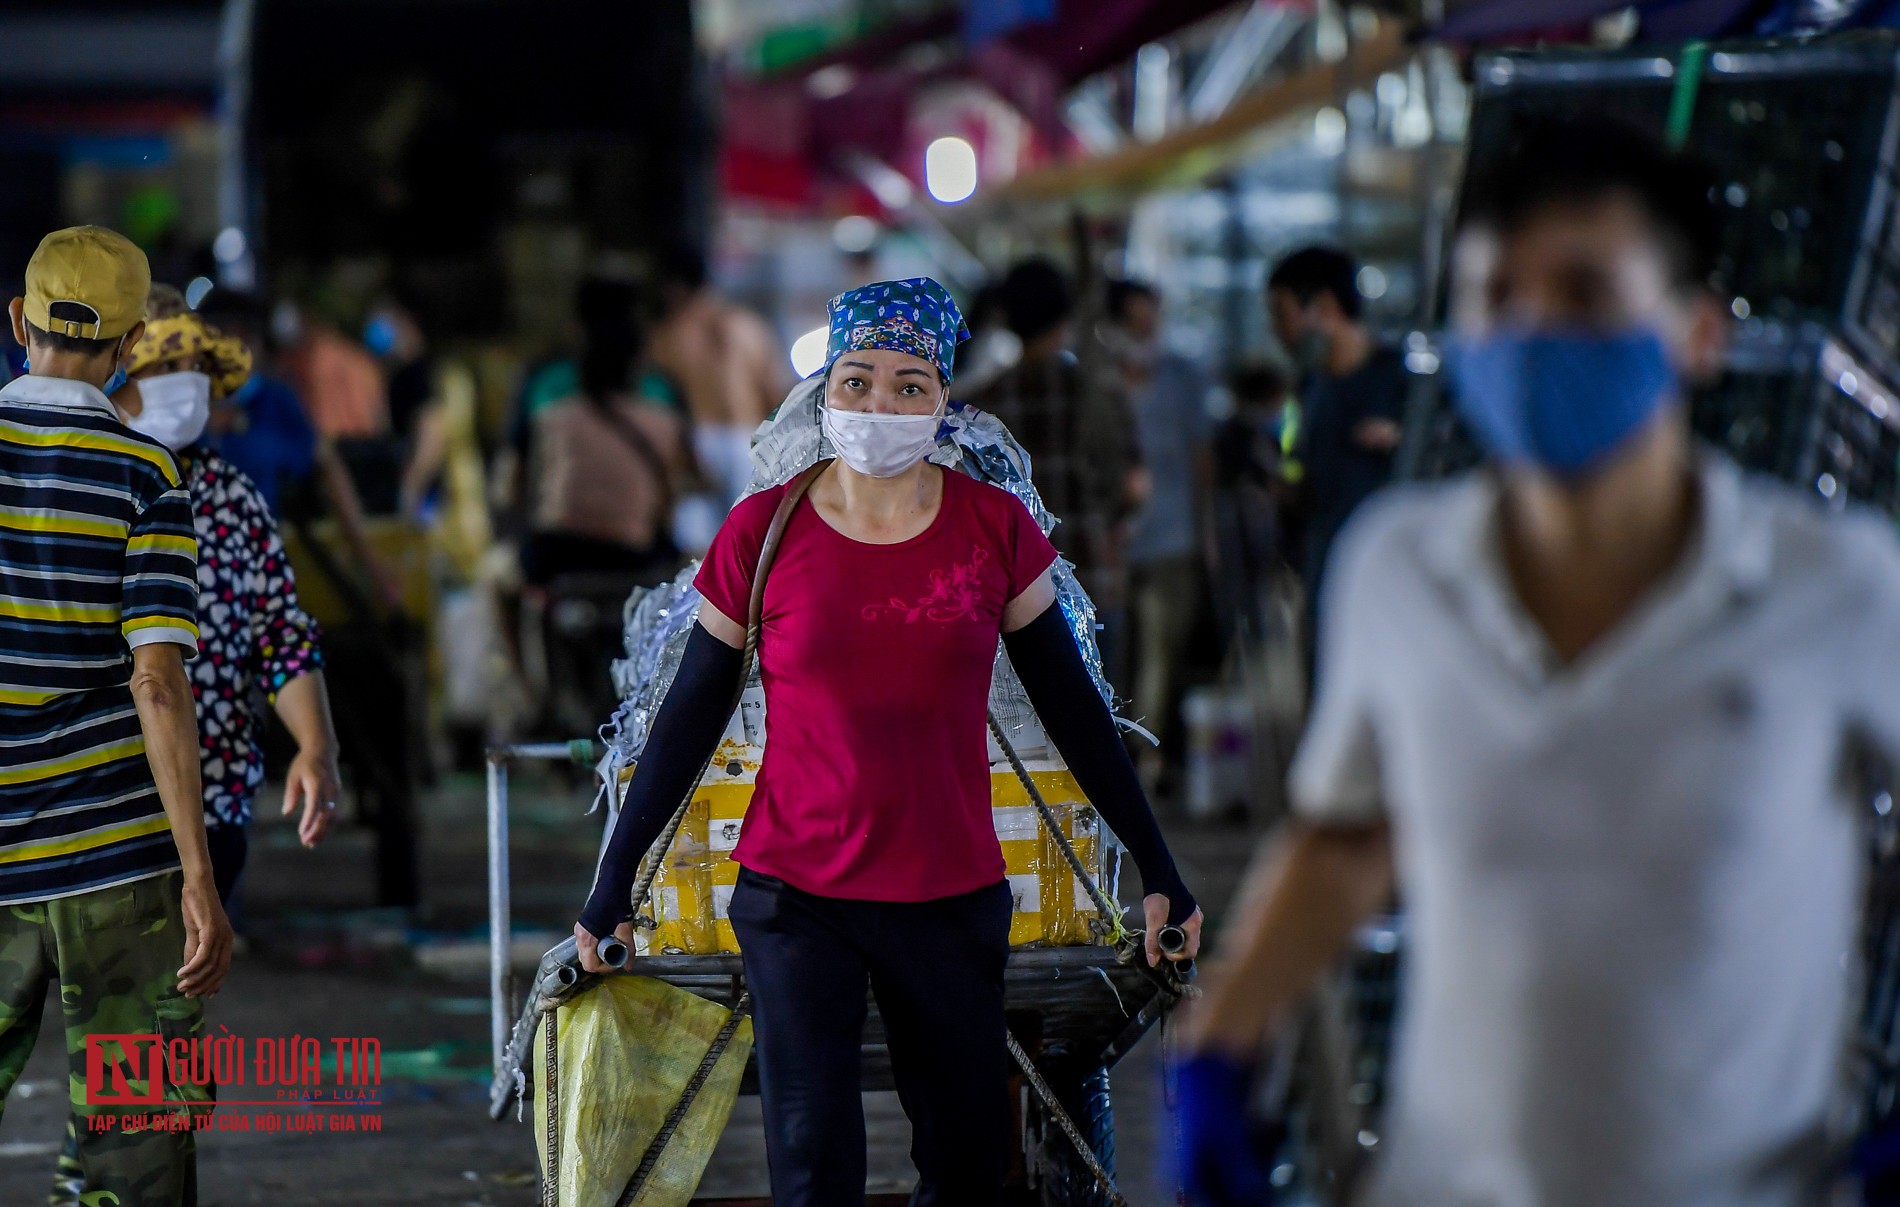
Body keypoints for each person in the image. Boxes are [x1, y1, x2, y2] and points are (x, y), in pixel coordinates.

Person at [1175, 116, 1900, 1207]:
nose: (1532, 329)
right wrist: (1214, 1052)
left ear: (1698, 333)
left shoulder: (1832, 585)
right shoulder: (1396, 569)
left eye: (1584, 294)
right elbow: (1346, 838)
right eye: (1495, 298)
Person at [574, 277, 1201, 1205]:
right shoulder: (762, 531)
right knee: (813, 1161)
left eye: (909, 386)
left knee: (965, 1163)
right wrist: (611, 883)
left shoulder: (996, 530)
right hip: (795, 899)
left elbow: (1076, 716)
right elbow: (690, 717)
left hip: (950, 896)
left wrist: (1159, 871)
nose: (879, 404)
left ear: (945, 402)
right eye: (857, 380)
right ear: (824, 391)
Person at [0, 227, 231, 1204]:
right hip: (118, 859)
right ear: (134, 343)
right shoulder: (145, 473)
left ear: (18, 321)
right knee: (134, 1140)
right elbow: (157, 683)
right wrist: (197, 874)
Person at [116, 285, 341, 904]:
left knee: (181, 992)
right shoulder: (85, 492)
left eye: (194, 368)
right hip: (103, 811)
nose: (185, 382)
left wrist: (316, 747)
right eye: (164, 366)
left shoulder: (232, 497)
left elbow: (280, 632)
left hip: (216, 802)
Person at [969, 258, 1145, 671]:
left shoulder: (981, 406)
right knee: (1099, 721)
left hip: (1009, 600)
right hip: (1093, 583)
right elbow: (1133, 488)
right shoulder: (1100, 395)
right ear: (1066, 315)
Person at [194, 287, 400, 609]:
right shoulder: (176, 410)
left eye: (244, 339)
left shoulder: (272, 404)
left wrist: (370, 563)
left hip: (248, 587)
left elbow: (326, 465)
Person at [1267, 245, 1406, 683]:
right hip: (1325, 587)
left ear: (1325, 307)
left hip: (1393, 597)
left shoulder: (1402, 386)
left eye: (1283, 314)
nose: (1278, 331)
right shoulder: (1309, 389)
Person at [1109, 279, 1215, 795]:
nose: (1144, 329)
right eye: (1134, 319)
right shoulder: (1097, 382)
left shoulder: (1182, 377)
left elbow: (1202, 459)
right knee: (1114, 652)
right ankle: (1119, 754)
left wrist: (1206, 534)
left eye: (1150, 318)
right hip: (1111, 544)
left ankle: (1146, 759)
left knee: (1161, 652)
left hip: (1173, 536)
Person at [519, 274, 687, 588]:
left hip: (556, 552)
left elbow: (521, 469)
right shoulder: (661, 395)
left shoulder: (547, 390)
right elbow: (677, 486)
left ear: (577, 325)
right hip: (636, 551)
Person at [645, 243, 790, 506]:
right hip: (750, 439)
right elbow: (774, 395)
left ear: (672, 286)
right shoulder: (750, 327)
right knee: (749, 539)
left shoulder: (665, 336)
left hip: (695, 441)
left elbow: (660, 403)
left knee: (699, 544)